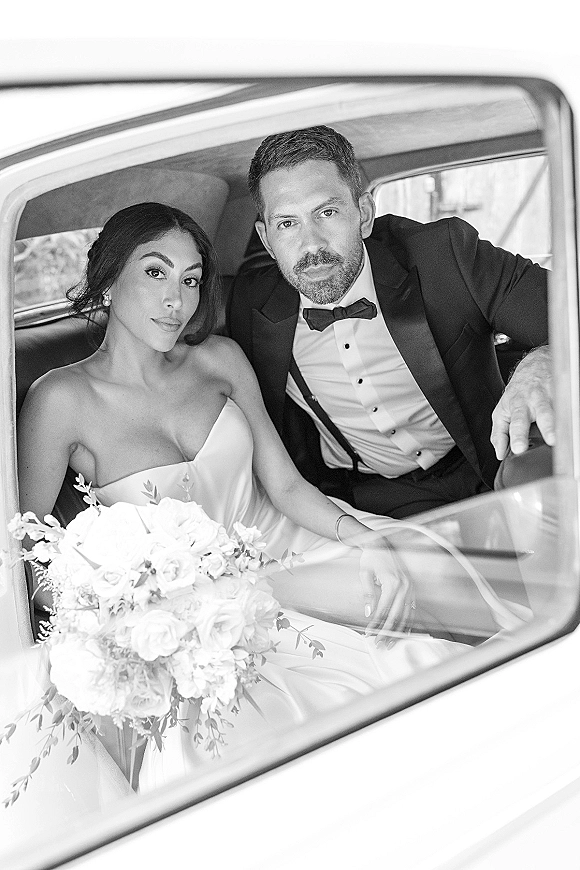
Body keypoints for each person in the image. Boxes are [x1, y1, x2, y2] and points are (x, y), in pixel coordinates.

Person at [16, 202, 483, 790]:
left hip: (290, 544)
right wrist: (127, 609)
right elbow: (26, 554)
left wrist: (367, 539)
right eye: (155, 273)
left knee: (425, 598)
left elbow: (284, 485)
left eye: (190, 280)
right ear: (109, 279)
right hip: (193, 616)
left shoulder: (220, 358)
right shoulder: (59, 399)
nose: (177, 300)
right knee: (250, 737)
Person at [228, 125, 553, 519]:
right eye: (287, 223)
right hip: (371, 497)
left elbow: (567, 309)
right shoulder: (248, 306)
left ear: (363, 215)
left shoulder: (444, 257)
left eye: (326, 213)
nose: (311, 245)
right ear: (265, 238)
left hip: (487, 459)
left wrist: (544, 358)